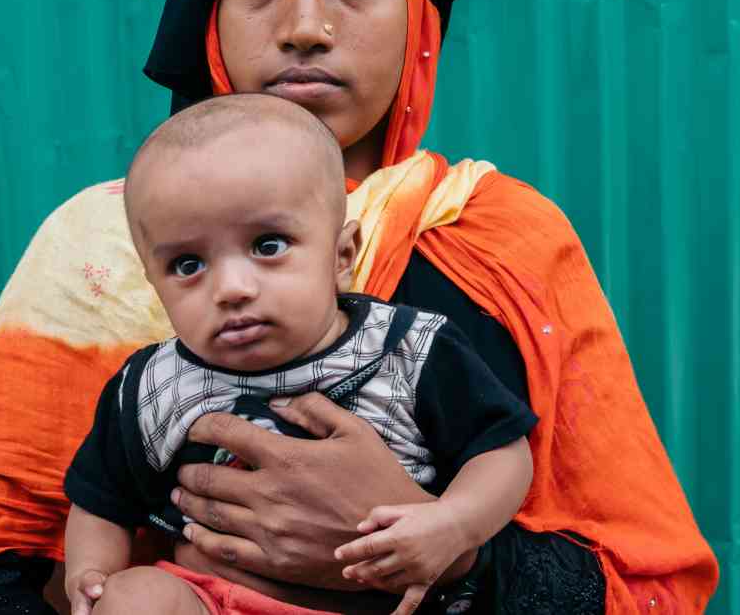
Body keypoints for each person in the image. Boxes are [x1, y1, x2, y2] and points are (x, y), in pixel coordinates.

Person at [0, 0, 719, 615]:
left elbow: (649, 588)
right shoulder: (98, 246)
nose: (304, 28)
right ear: (211, 18)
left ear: (421, 19)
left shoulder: (505, 245)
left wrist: (449, 555)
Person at [63, 94, 537, 615]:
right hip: (211, 599)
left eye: (268, 246)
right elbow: (99, 500)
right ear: (153, 282)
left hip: (373, 603)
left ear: (341, 255)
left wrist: (454, 525)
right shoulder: (152, 386)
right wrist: (90, 575)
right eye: (188, 264)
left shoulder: (409, 350)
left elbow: (503, 452)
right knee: (135, 599)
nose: (231, 288)